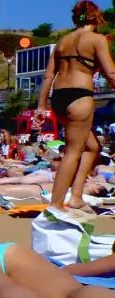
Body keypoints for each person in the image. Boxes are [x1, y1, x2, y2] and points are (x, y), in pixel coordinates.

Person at [37, 1, 115, 216]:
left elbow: (48, 76)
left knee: (92, 147)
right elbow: (111, 73)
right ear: (95, 17)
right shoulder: (97, 40)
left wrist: (41, 107)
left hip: (59, 97)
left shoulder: (63, 41)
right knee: (73, 152)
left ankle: (77, 197)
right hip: (80, 96)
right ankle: (55, 205)